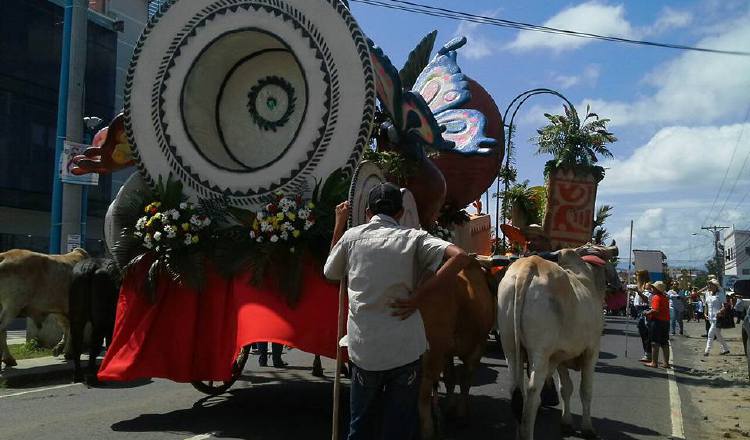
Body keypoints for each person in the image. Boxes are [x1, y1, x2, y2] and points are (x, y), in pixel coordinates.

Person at [323, 183, 472, 440]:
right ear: (402, 213)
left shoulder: (351, 237)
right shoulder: (414, 237)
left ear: (368, 212)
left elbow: (330, 272)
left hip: (364, 350)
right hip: (405, 349)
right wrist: (418, 298)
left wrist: (340, 223)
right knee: (400, 426)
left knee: (360, 425)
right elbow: (460, 257)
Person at [645, 281, 671, 368]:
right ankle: (666, 363)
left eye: (653, 287)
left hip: (657, 322)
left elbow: (655, 310)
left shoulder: (656, 297)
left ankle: (654, 362)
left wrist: (647, 312)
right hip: (665, 321)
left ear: (656, 289)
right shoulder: (665, 297)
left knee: (655, 343)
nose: (652, 289)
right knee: (664, 343)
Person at [704, 280, 730, 356]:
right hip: (710, 318)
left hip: (717, 318)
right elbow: (706, 305)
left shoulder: (720, 294)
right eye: (708, 285)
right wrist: (705, 313)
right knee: (718, 335)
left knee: (710, 334)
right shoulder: (707, 294)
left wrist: (720, 311)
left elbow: (725, 305)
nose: (709, 286)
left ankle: (707, 351)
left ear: (715, 286)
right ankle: (726, 349)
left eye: (710, 285)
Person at [636, 285, 653, 362]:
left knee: (646, 333)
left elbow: (646, 300)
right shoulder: (641, 291)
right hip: (639, 310)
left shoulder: (649, 293)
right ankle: (647, 353)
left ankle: (648, 354)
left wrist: (639, 292)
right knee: (642, 333)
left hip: (645, 310)